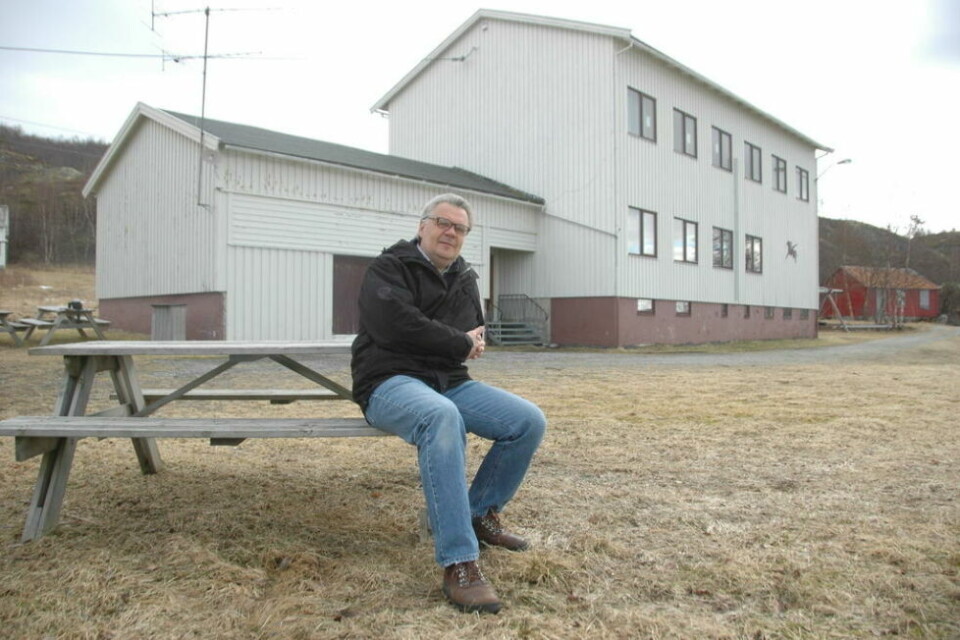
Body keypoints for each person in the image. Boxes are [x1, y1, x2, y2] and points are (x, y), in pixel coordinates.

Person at [351, 193, 547, 614]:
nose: (450, 233)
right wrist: (452, 339)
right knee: (442, 417)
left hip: (448, 380)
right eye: (443, 223)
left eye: (459, 228)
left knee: (528, 421)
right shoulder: (389, 267)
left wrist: (444, 337)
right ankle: (459, 561)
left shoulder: (465, 276)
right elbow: (393, 326)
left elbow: (471, 335)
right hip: (388, 379)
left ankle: (479, 513)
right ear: (422, 226)